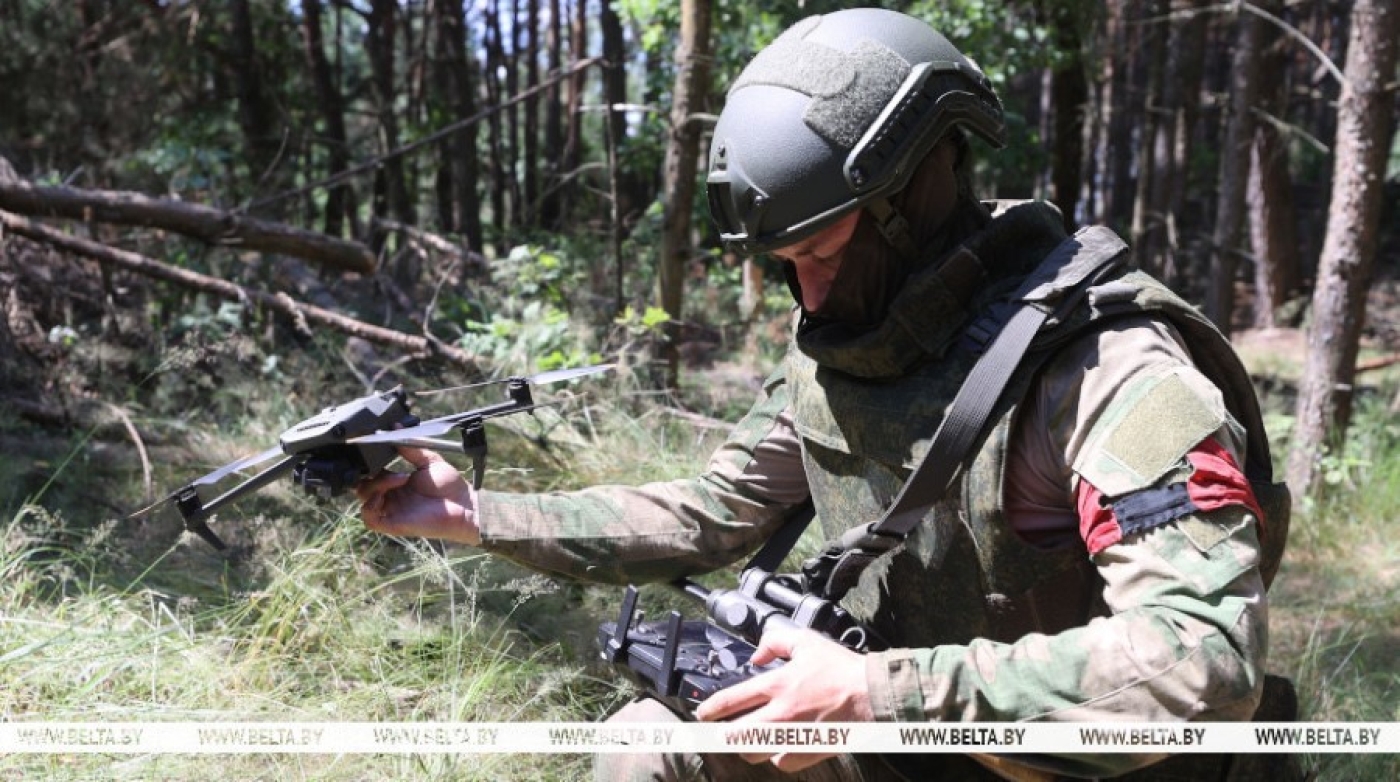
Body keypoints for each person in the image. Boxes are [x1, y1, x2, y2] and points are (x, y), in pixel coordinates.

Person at [357, 9, 1292, 781]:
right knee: (647, 745)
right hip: (901, 745)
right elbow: (710, 514)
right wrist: (478, 514)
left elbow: (1204, 659)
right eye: (786, 263)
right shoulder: (850, 349)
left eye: (825, 253)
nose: (808, 297)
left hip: (1065, 763)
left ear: (910, 198)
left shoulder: (1105, 367)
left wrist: (875, 694)